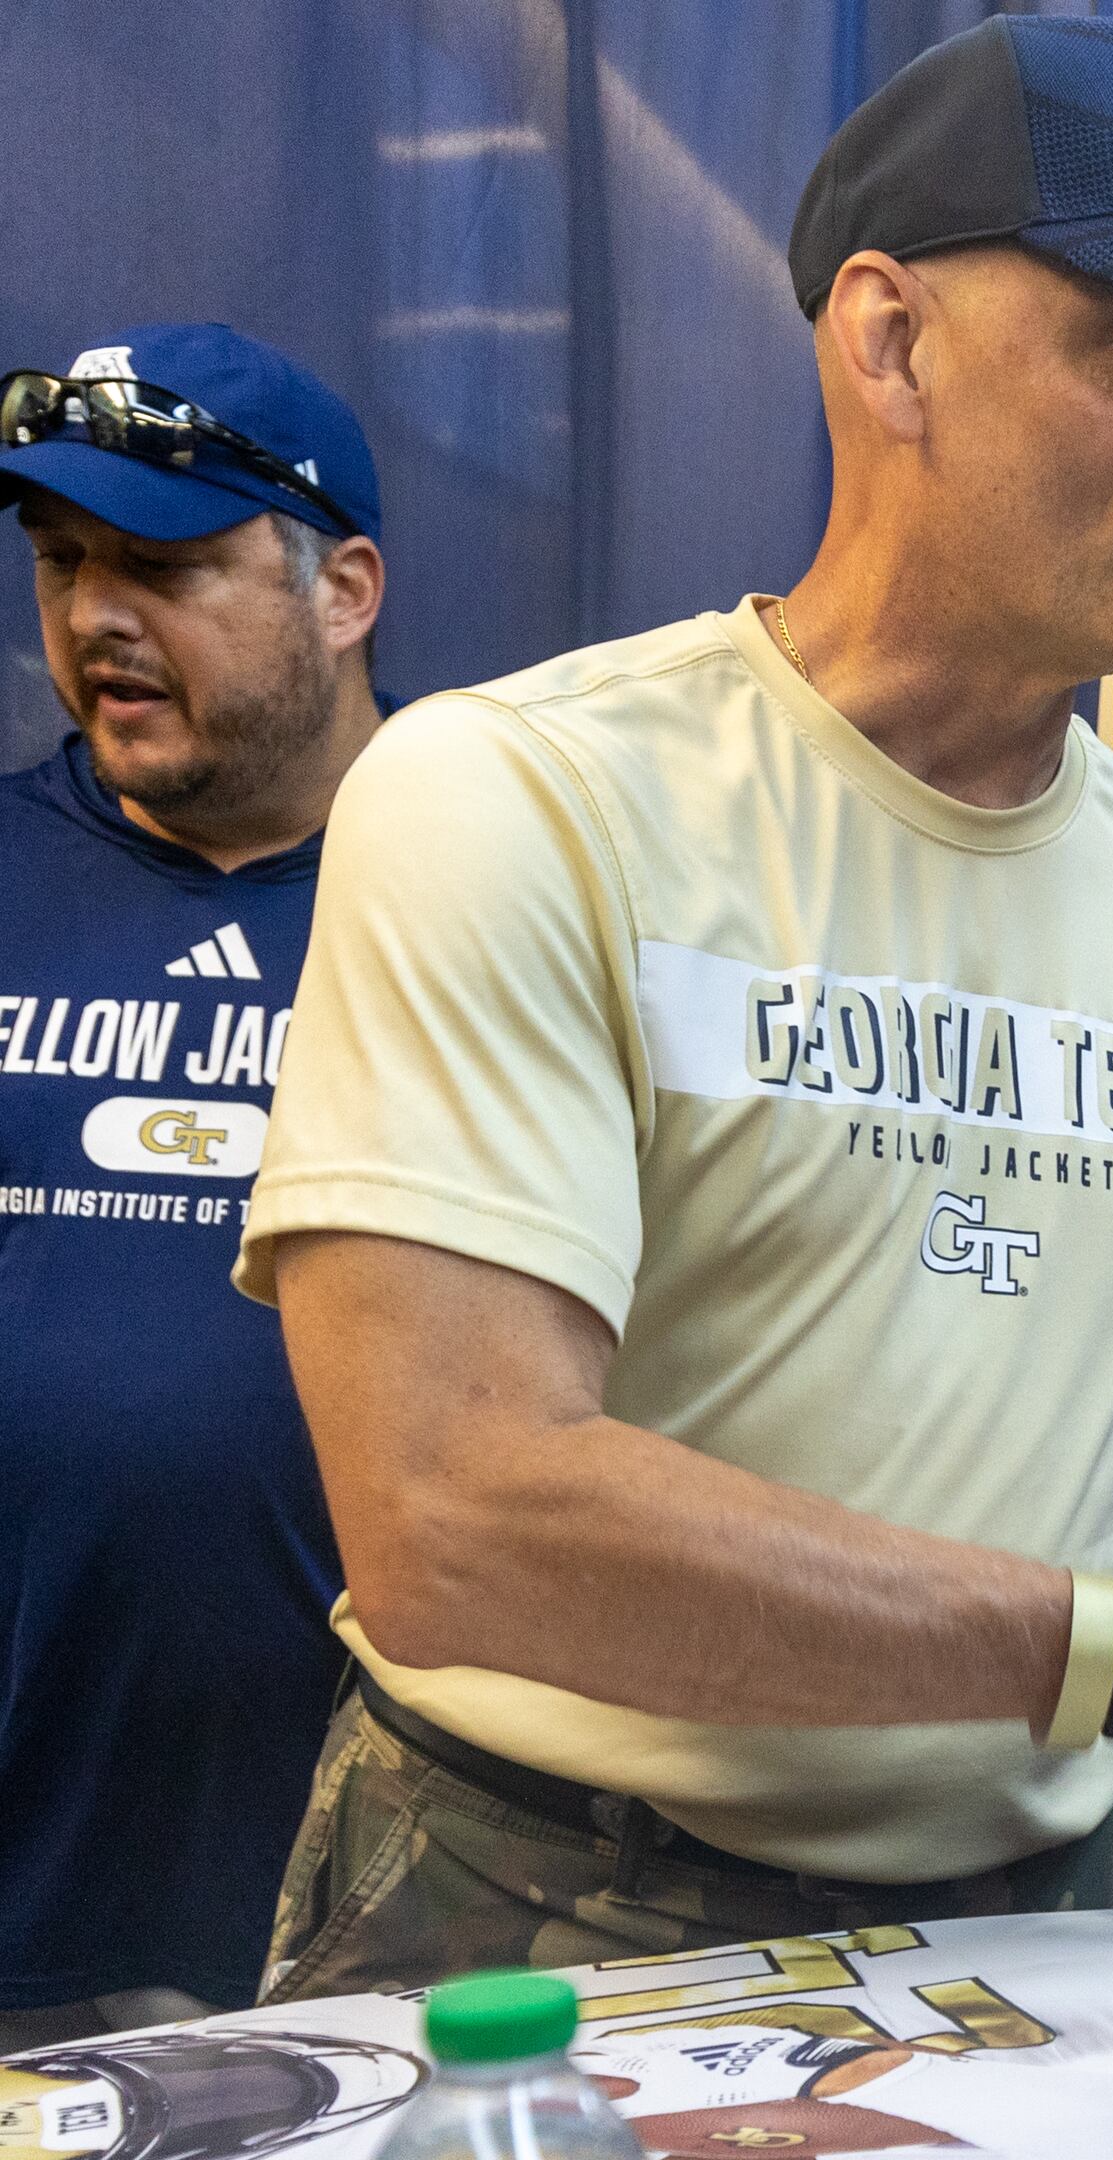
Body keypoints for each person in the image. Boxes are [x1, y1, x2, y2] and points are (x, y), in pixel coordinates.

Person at [232, 15, 1113, 2004]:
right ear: (891, 344)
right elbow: (459, 1512)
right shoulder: (522, 798)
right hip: (542, 1906)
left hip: (1047, 1913)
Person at [0, 325, 390, 2045]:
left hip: (422, 1909)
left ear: (345, 591)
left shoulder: (522, 882)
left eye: (161, 564)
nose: (92, 615)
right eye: (61, 559)